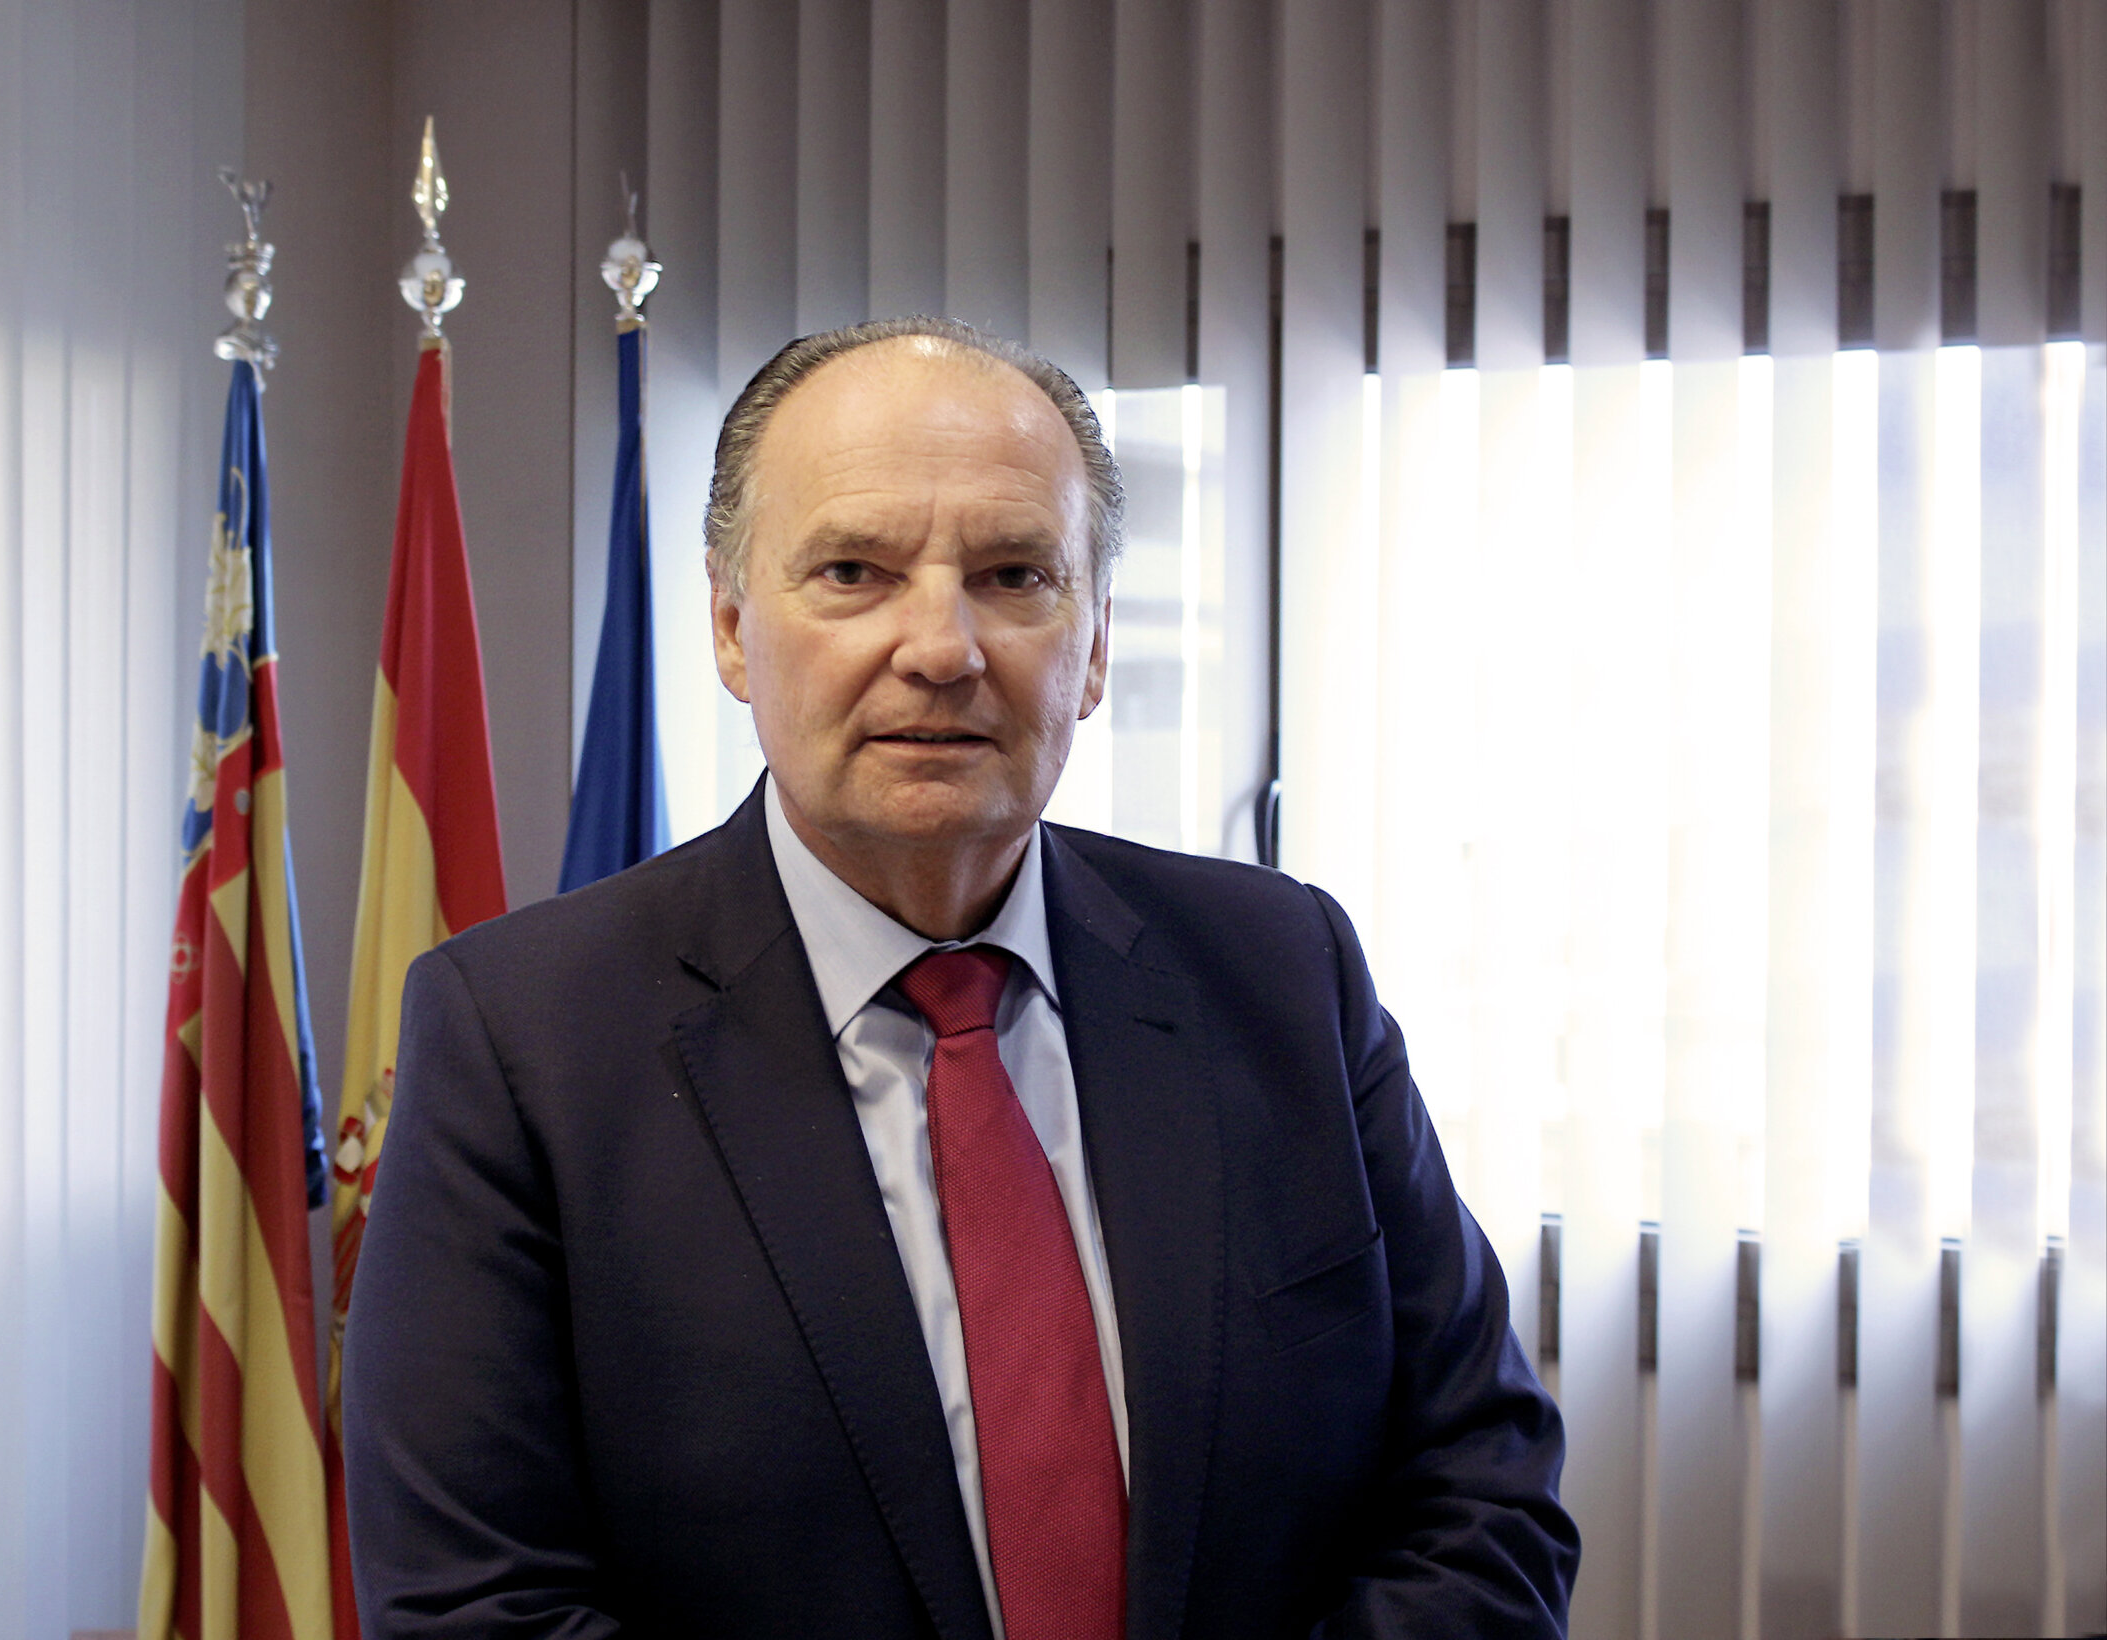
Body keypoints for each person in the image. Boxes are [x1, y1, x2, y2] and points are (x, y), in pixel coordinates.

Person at [341, 316, 1578, 1639]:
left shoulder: (1286, 976)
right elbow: (479, 1608)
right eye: (855, 571)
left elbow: (1483, 1499)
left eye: (1012, 575)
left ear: (1093, 644)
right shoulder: (524, 1039)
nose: (941, 647)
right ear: (730, 629)